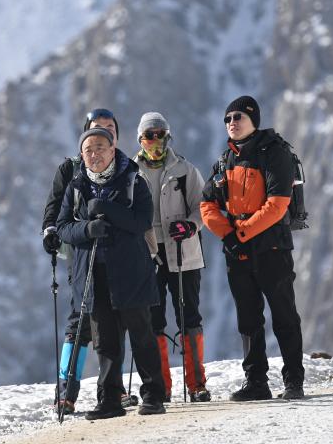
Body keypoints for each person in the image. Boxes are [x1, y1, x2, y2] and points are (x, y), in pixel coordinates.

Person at [52, 126, 166, 419]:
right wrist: (87, 229)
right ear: (82, 155)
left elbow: (142, 221)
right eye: (88, 150)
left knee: (141, 334)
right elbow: (63, 227)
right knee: (105, 340)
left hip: (130, 271)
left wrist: (107, 210)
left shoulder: (133, 180)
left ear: (113, 149)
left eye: (100, 148)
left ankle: (153, 395)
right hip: (92, 274)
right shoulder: (76, 186)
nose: (94, 155)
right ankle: (109, 400)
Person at [200, 95, 305, 401]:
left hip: (272, 248)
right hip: (238, 251)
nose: (231, 122)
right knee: (248, 318)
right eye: (227, 118)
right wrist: (228, 236)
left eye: (238, 117)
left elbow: (277, 204)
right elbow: (207, 204)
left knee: (284, 315)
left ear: (253, 120)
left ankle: (293, 381)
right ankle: (256, 382)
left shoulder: (275, 152)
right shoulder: (225, 160)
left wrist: (240, 234)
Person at [42, 109, 134, 413]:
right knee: (80, 319)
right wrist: (50, 231)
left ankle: (113, 390)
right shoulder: (70, 169)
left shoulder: (125, 168)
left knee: (115, 320)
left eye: (110, 127)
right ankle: (66, 391)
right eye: (97, 127)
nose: (105, 131)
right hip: (81, 254)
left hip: (117, 257)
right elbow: (54, 208)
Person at [133, 111, 211, 402]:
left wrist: (191, 225)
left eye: (160, 134)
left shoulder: (185, 170)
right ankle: (160, 386)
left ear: (168, 136)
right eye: (149, 135)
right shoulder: (129, 172)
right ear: (140, 139)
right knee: (152, 320)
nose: (155, 140)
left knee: (189, 316)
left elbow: (202, 206)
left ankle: (197, 384)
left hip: (182, 251)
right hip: (147, 253)